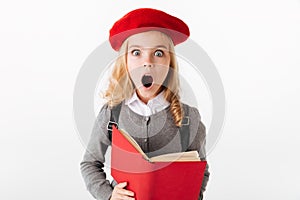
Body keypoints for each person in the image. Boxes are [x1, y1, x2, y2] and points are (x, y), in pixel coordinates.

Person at [80, 8, 210, 200]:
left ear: (170, 63)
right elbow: (90, 163)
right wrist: (109, 195)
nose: (147, 63)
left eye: (158, 53)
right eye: (136, 52)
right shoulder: (111, 113)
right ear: (125, 62)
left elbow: (201, 170)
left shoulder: (190, 117)